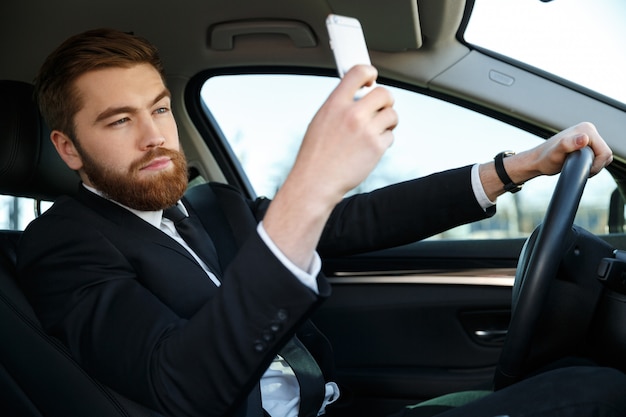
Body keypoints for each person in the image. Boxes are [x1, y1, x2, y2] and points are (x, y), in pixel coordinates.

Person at [16, 28, 626, 417]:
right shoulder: (62, 244)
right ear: (69, 150)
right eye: (119, 121)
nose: (154, 137)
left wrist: (517, 166)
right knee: (598, 394)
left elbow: (357, 220)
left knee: (577, 374)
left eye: (158, 109)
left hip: (336, 407)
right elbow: (178, 384)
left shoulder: (212, 206)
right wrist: (310, 178)